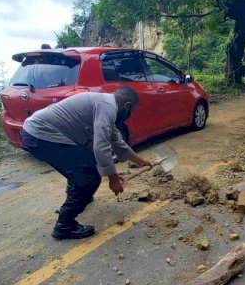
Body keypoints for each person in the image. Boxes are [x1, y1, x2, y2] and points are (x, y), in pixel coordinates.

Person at [20, 87, 153, 239]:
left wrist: (139, 160)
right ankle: (65, 225)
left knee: (80, 169)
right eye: (131, 111)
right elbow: (101, 147)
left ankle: (81, 196)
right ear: (127, 106)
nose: (129, 115)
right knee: (89, 176)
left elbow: (116, 141)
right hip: (41, 136)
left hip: (33, 133)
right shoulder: (107, 107)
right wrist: (114, 179)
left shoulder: (105, 103)